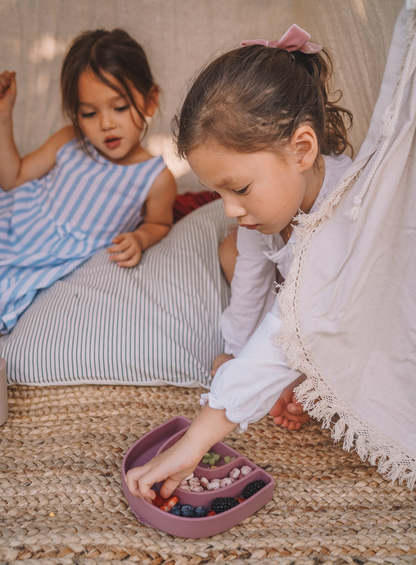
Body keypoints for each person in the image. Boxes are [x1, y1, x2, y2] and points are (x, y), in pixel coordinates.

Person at [125, 24, 353, 501]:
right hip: (300, 294)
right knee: (234, 247)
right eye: (218, 192)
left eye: (241, 189)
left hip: (351, 306)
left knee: (308, 357)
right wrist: (233, 354)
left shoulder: (349, 212)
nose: (228, 207)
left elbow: (297, 321)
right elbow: (250, 287)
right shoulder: (258, 217)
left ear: (303, 150)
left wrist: (292, 373)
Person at [0, 29, 177, 334]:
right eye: (89, 113)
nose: (106, 124)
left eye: (119, 108)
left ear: (150, 101)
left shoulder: (155, 178)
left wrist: (139, 238)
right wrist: (4, 117)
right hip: (16, 221)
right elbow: (12, 178)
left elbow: (160, 224)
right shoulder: (70, 139)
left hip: (50, 257)